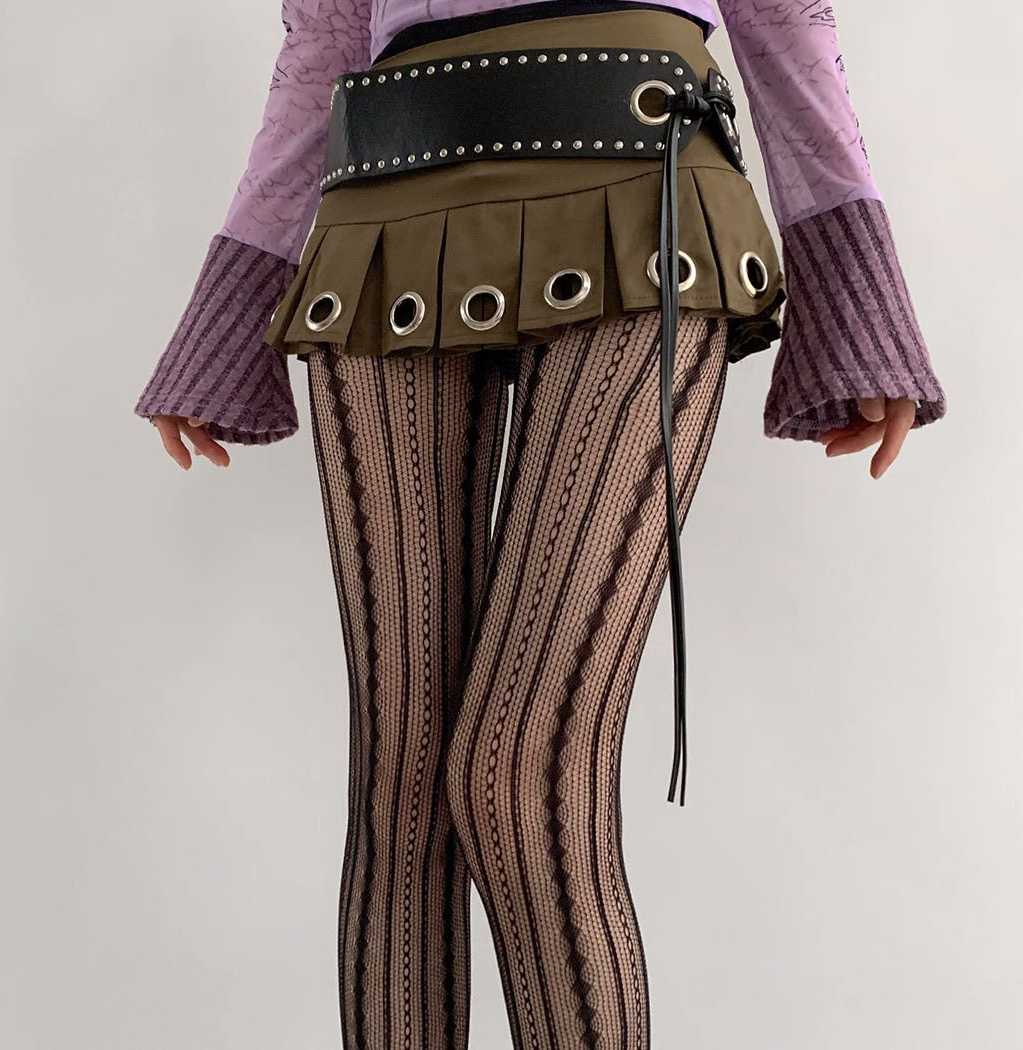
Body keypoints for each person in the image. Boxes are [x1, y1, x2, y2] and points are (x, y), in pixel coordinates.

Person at [133, 2, 948, 1047]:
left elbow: (785, 20)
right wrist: (229, 301)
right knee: (401, 788)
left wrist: (858, 296)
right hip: (386, 200)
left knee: (519, 776)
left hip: (640, 179)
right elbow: (326, 40)